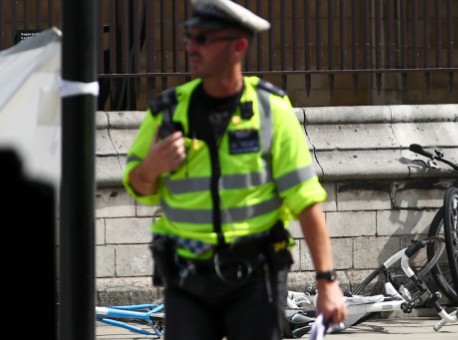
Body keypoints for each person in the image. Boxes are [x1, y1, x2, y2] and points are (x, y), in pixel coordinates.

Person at [122, 0, 348, 339]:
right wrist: (151, 167)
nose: (190, 46)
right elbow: (137, 185)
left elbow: (305, 200)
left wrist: (326, 281)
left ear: (238, 46)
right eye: (189, 36)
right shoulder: (168, 111)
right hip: (186, 281)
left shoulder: (271, 111)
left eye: (203, 38)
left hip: (256, 280)